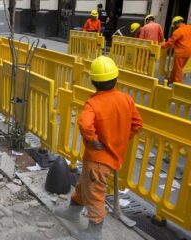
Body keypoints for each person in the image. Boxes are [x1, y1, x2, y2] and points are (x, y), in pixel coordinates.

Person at [55, 56, 143, 240]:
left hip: (98, 160)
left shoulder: (93, 103)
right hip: (112, 157)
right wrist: (122, 137)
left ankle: (94, 232)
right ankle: (72, 212)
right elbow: (137, 124)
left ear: (94, 82)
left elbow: (85, 124)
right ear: (116, 79)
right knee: (83, 186)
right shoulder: (126, 99)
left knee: (94, 194)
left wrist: (93, 140)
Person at [161, 16, 191, 84]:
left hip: (181, 52)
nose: (174, 27)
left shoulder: (178, 31)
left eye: (174, 25)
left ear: (177, 23)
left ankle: (178, 83)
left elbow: (171, 42)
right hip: (188, 52)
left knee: (178, 68)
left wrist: (164, 45)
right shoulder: (189, 28)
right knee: (176, 66)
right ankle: (171, 79)